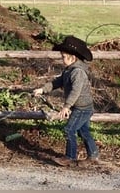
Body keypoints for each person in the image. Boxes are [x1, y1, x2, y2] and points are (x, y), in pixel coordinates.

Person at [33, 35, 100, 167]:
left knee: (69, 129)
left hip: (82, 108)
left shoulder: (77, 72)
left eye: (64, 57)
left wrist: (66, 107)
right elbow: (57, 82)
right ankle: (93, 155)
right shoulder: (68, 70)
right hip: (82, 107)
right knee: (83, 131)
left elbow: (76, 91)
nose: (62, 59)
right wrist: (43, 89)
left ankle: (70, 157)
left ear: (73, 57)